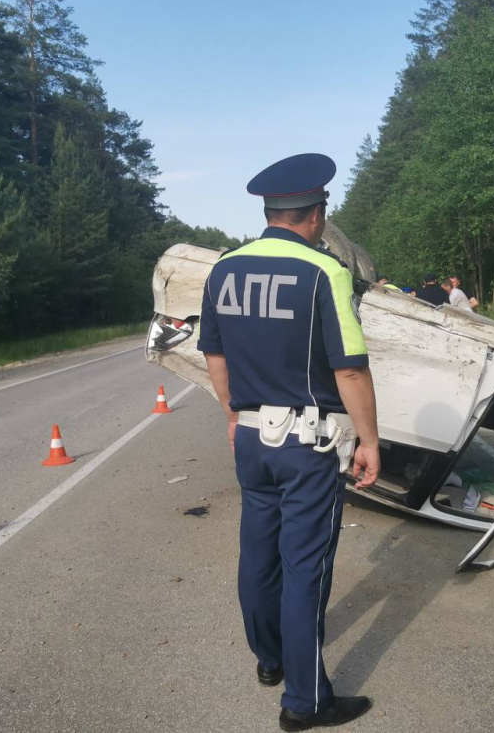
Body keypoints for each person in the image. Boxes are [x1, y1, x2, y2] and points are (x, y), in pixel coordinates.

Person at [197, 153, 380, 731]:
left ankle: (270, 658)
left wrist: (233, 415)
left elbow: (215, 355)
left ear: (270, 211)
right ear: (316, 214)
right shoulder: (325, 271)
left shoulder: (223, 269)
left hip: (251, 439)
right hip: (306, 447)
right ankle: (306, 702)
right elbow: (349, 369)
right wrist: (369, 441)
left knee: (258, 554)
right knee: (305, 568)